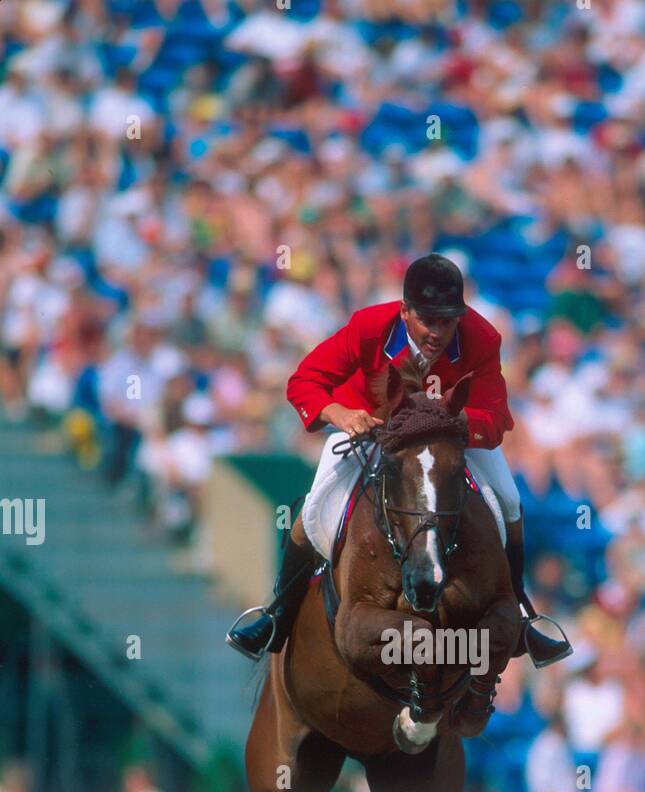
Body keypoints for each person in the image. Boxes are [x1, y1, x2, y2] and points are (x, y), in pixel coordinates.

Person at [226, 254, 572, 668]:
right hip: (369, 427)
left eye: (447, 322)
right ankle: (276, 614)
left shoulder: (482, 338)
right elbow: (304, 382)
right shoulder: (370, 326)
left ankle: (521, 611)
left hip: (446, 438)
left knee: (511, 501)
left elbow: (497, 418)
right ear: (405, 311)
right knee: (312, 510)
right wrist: (340, 415)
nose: (438, 333)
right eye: (428, 321)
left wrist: (451, 421)